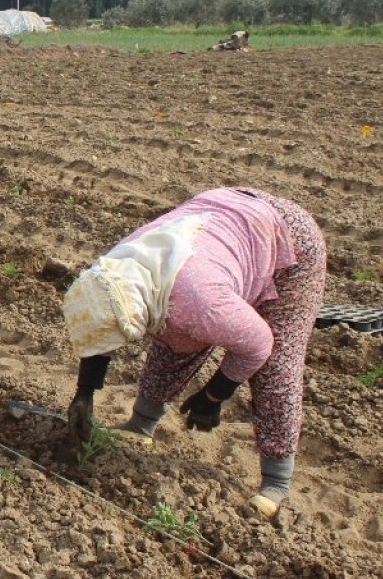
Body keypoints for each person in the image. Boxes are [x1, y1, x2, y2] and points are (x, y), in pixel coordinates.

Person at [61, 187, 325, 519]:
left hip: (289, 242)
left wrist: (213, 396)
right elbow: (101, 325)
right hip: (224, 219)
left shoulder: (199, 303)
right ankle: (141, 424)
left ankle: (276, 482)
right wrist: (84, 392)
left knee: (276, 361)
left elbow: (258, 344)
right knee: (172, 334)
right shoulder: (113, 272)